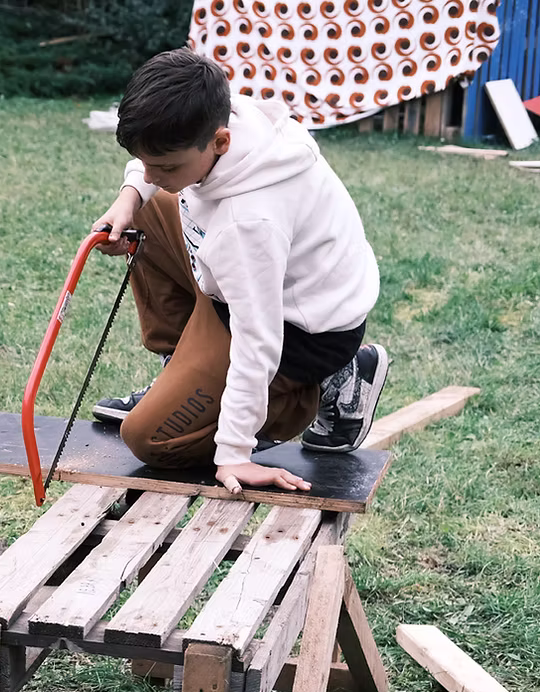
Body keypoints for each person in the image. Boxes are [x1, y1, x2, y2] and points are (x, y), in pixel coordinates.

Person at [88, 48, 389, 494]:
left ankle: (334, 382)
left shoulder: (249, 224)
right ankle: (181, 371)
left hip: (299, 338)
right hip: (245, 287)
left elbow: (258, 341)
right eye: (144, 161)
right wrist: (129, 198)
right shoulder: (226, 115)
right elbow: (154, 165)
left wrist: (233, 453)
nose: (151, 173)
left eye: (166, 167)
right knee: (148, 213)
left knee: (149, 438)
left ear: (220, 143)